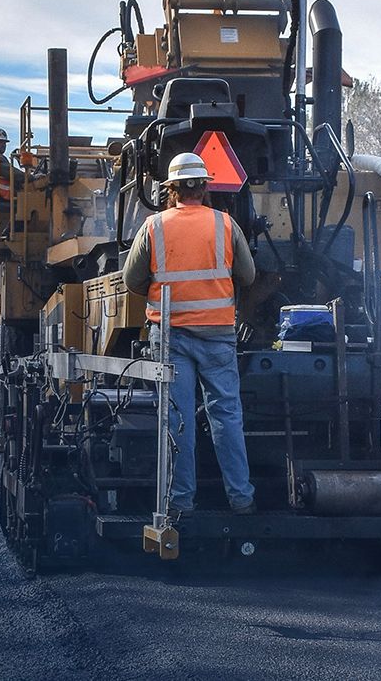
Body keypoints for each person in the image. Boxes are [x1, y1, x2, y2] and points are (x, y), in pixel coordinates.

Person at [122, 152, 257, 516]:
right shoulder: (226, 225)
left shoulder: (154, 227)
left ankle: (181, 502)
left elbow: (131, 280)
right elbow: (248, 275)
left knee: (177, 418)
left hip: (171, 336)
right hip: (217, 335)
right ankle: (241, 497)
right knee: (226, 415)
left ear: (172, 189)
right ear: (205, 187)